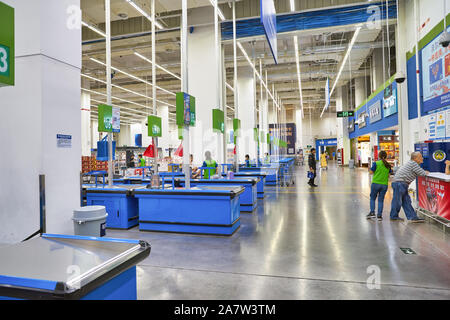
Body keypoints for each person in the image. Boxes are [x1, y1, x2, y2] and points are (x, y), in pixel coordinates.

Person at [389, 152, 429, 223]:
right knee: (397, 201)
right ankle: (394, 216)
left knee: (406, 201)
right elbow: (422, 173)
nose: (422, 158)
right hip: (400, 183)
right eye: (420, 157)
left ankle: (412, 217)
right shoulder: (413, 164)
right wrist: (425, 172)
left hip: (400, 183)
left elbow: (420, 172)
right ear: (415, 158)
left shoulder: (412, 163)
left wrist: (423, 171)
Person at [367, 151, 393, 221]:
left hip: (375, 183)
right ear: (386, 156)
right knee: (381, 200)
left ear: (379, 156)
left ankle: (372, 213)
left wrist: (369, 169)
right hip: (384, 185)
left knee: (372, 198)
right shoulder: (388, 165)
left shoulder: (376, 163)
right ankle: (379, 215)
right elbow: (389, 175)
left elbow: (371, 172)